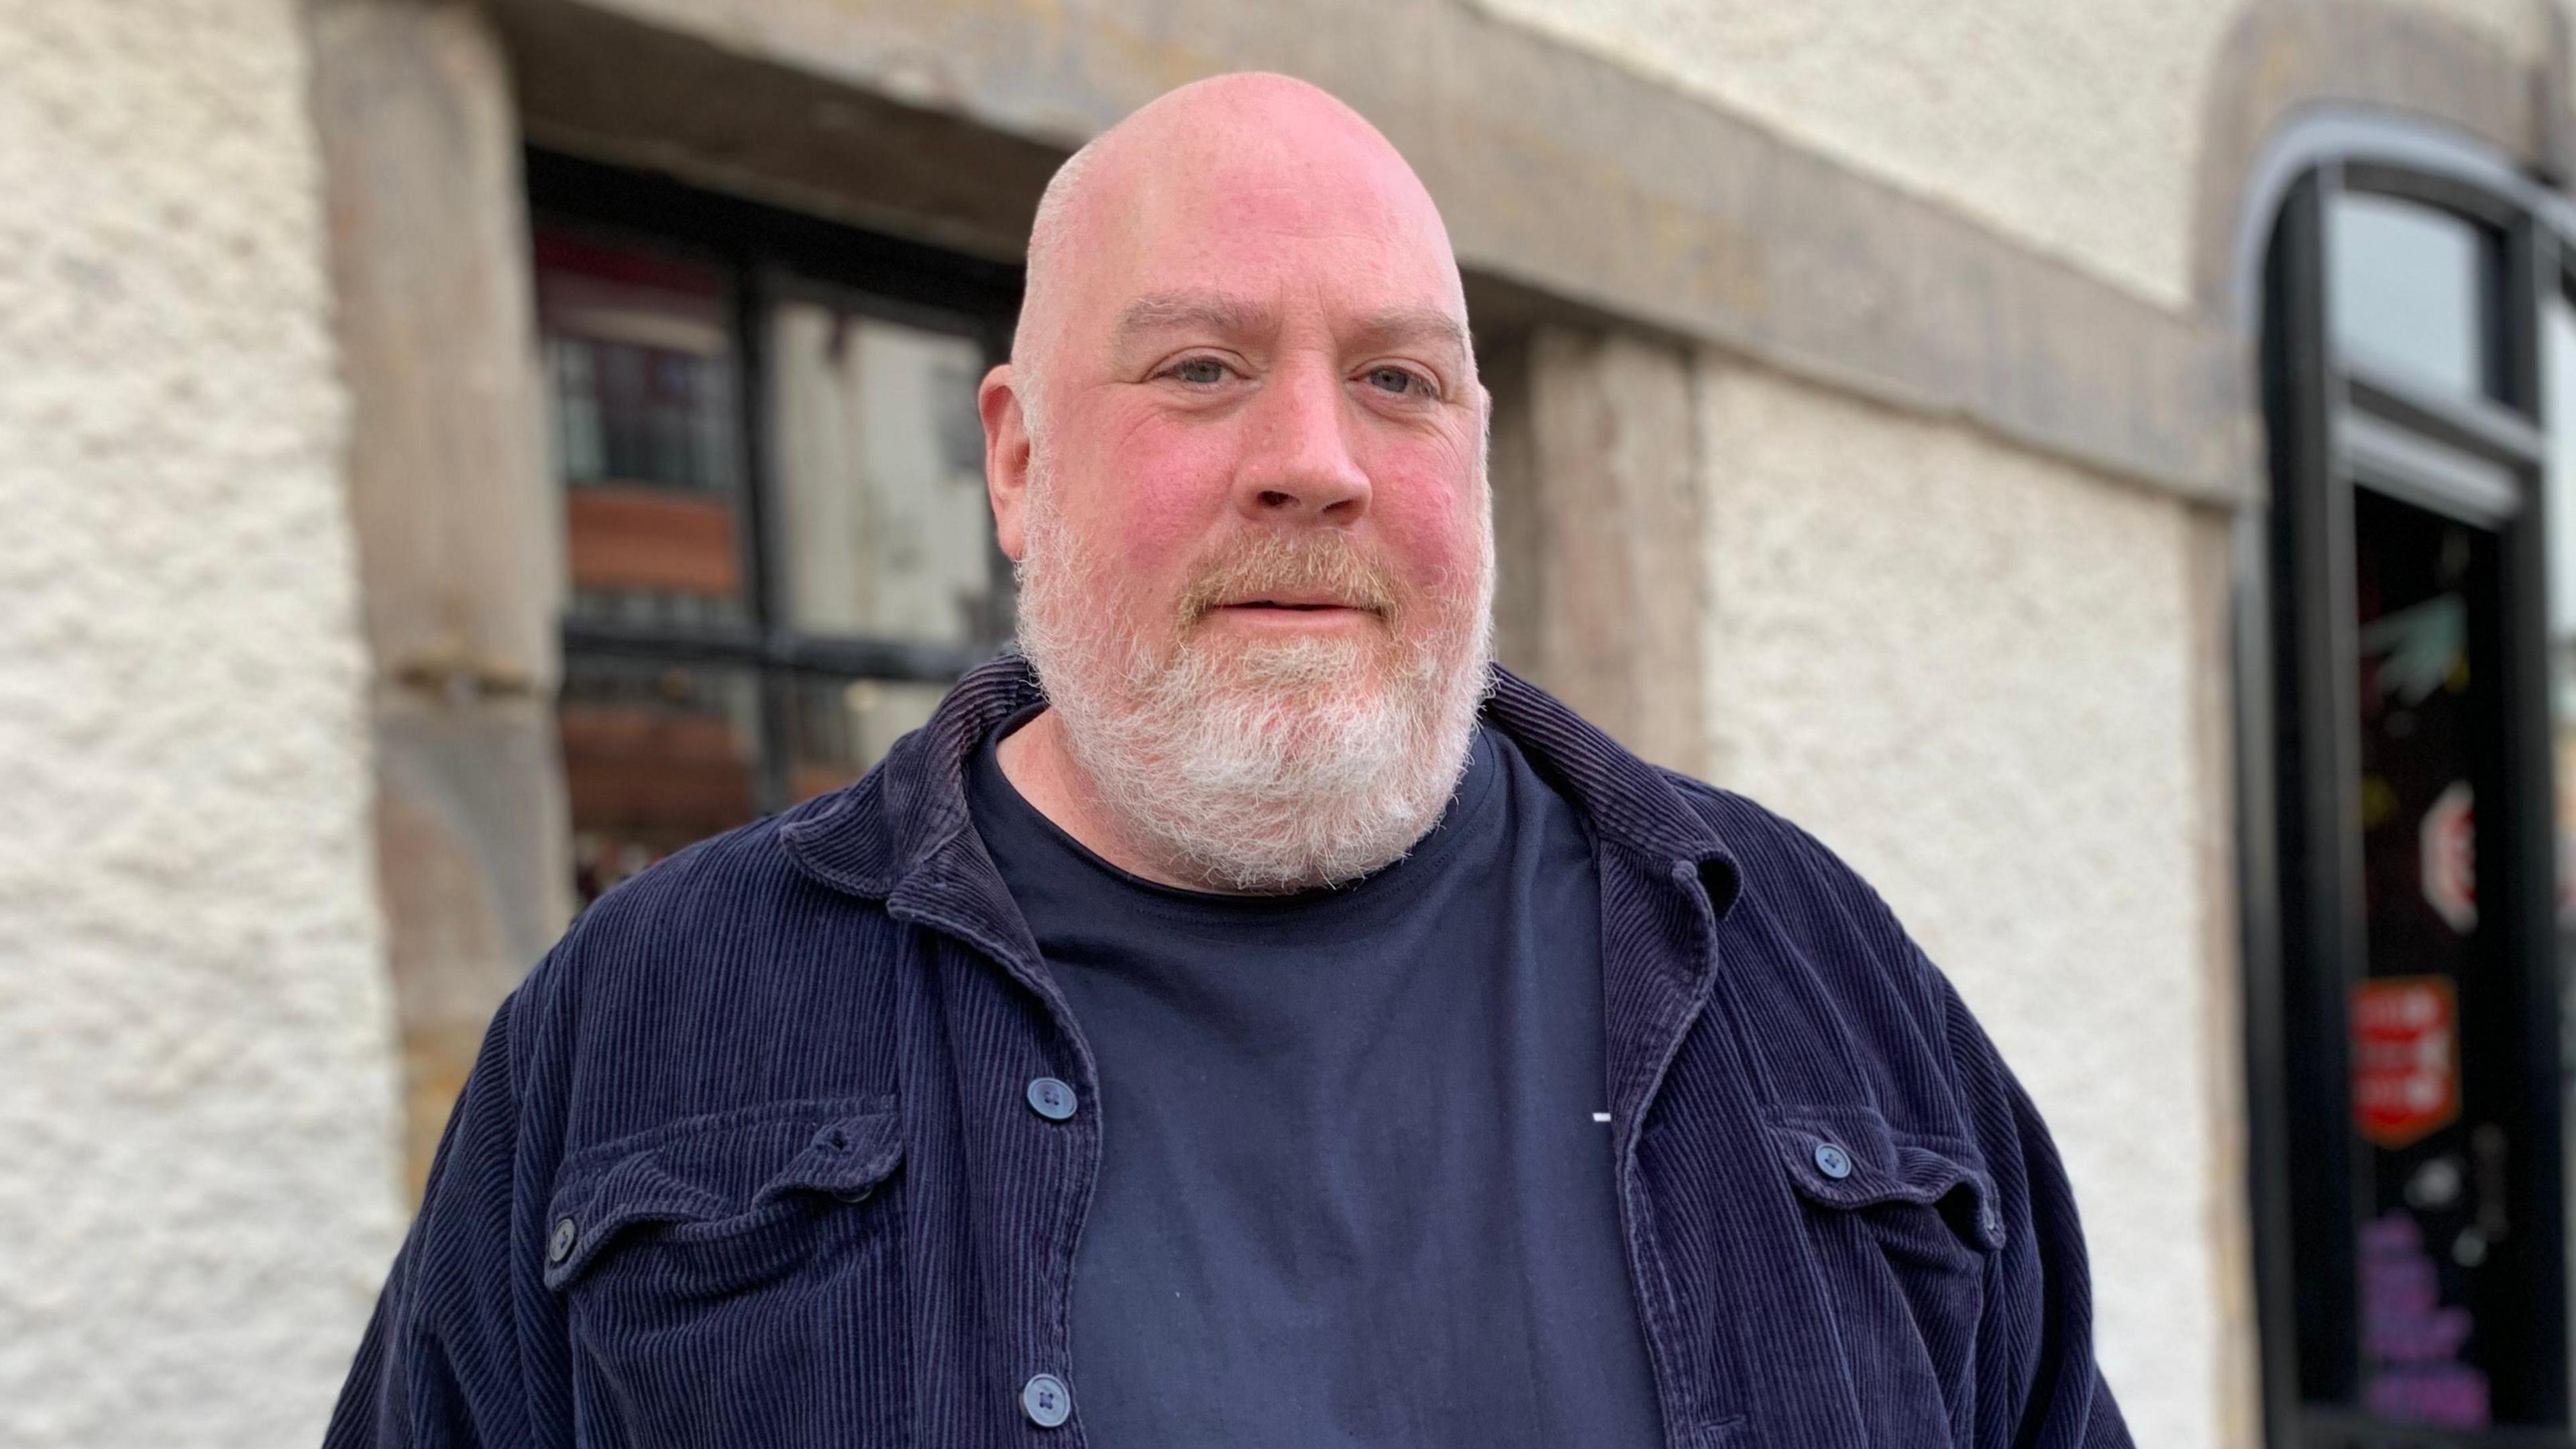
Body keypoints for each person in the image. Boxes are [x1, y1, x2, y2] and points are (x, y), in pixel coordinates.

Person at [325, 71, 2131, 1449]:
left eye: (1401, 383)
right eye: (1200, 368)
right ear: (1018, 463)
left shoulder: (1815, 974)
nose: (1315, 462)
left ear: (1475, 461)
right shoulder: (652, 1019)